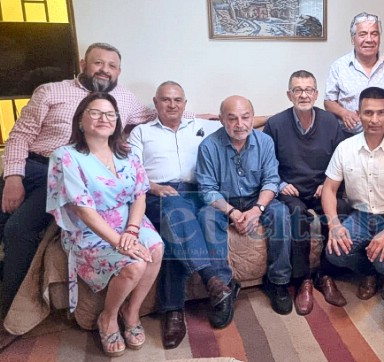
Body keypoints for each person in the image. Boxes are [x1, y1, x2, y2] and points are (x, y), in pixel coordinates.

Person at [0, 43, 161, 323]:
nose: (105, 70)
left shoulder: (123, 98)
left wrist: (210, 118)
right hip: (40, 167)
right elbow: (20, 135)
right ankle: (11, 300)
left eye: (112, 66)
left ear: (119, 71)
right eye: (98, 63)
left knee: (17, 227)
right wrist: (13, 177)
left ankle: (8, 305)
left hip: (87, 177)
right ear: (83, 63)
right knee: (9, 222)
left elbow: (156, 117)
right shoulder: (51, 91)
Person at [46, 92, 163, 357]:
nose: (104, 119)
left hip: (128, 220)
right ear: (80, 120)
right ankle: (107, 318)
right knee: (134, 265)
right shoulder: (65, 156)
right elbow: (83, 210)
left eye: (110, 114)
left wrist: (132, 231)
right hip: (90, 227)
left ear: (117, 121)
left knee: (156, 248)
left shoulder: (128, 153)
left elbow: (140, 195)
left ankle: (131, 314)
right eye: (95, 113)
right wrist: (119, 242)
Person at [127, 81, 233, 349]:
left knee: (185, 230)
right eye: (165, 99)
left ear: (185, 104)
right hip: (157, 193)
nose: (172, 104)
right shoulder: (141, 132)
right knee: (176, 213)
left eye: (177, 100)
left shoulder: (201, 125)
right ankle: (213, 280)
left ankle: (173, 310)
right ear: (155, 102)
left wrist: (281, 115)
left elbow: (239, 121)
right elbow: (132, 172)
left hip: (199, 191)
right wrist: (153, 186)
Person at [322, 87, 384, 302]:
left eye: (380, 113)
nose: (374, 119)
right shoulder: (345, 148)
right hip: (360, 215)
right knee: (335, 253)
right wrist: (334, 225)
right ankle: (369, 273)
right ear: (358, 114)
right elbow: (329, 189)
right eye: (368, 113)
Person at [196, 95, 293, 315]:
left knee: (281, 213)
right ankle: (224, 287)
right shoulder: (208, 146)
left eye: (245, 117)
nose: (239, 124)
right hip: (223, 201)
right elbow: (207, 189)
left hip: (256, 198)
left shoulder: (265, 142)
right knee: (206, 217)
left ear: (252, 117)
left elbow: (271, 180)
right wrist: (232, 212)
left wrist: (256, 210)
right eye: (232, 119)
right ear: (221, 120)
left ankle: (278, 282)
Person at [263, 70, 350, 315]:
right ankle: (303, 281)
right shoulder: (276, 124)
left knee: (340, 209)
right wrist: (279, 183)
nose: (303, 94)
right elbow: (266, 162)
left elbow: (340, 159)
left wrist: (329, 182)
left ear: (316, 94)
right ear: (289, 94)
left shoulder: (330, 122)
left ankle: (325, 275)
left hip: (322, 186)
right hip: (290, 189)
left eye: (308, 89)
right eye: (298, 90)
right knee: (298, 215)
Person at [324, 12, 384, 135]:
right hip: (348, 137)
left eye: (374, 34)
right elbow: (329, 102)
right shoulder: (339, 66)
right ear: (353, 39)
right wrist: (344, 113)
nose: (369, 39)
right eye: (363, 34)